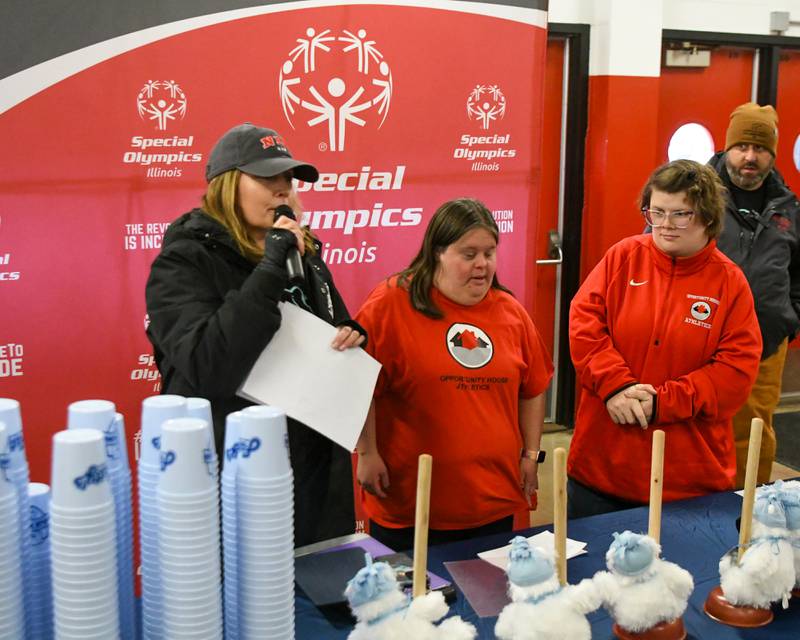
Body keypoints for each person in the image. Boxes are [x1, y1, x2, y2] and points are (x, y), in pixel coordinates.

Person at [145, 123, 365, 546]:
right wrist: (269, 268)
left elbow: (331, 327)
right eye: (267, 179)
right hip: (235, 481)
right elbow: (210, 365)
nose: (283, 189)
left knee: (320, 601)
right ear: (227, 186)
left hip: (316, 477)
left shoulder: (304, 254)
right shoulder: (183, 263)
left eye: (287, 180)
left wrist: (349, 336)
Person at [354, 198, 553, 550]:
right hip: (411, 504)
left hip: (493, 501)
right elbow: (358, 383)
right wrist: (367, 452)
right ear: (437, 254)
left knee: (488, 600)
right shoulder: (389, 304)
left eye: (489, 253)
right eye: (469, 254)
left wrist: (531, 455)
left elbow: (533, 387)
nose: (482, 264)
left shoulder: (511, 313)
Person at [567, 160, 762, 519]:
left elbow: (734, 374)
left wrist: (662, 403)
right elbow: (585, 325)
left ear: (706, 217)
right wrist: (615, 385)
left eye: (680, 214)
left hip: (687, 486)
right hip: (600, 473)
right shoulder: (622, 258)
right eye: (656, 212)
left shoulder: (730, 284)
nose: (665, 225)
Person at [708, 102, 800, 487]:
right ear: (727, 148)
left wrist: (789, 316)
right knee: (703, 429)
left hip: (766, 341)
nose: (750, 156)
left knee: (756, 432)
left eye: (760, 148)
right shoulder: (697, 196)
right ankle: (696, 512)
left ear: (772, 155)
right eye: (742, 146)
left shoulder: (789, 208)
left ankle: (751, 511)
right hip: (703, 338)